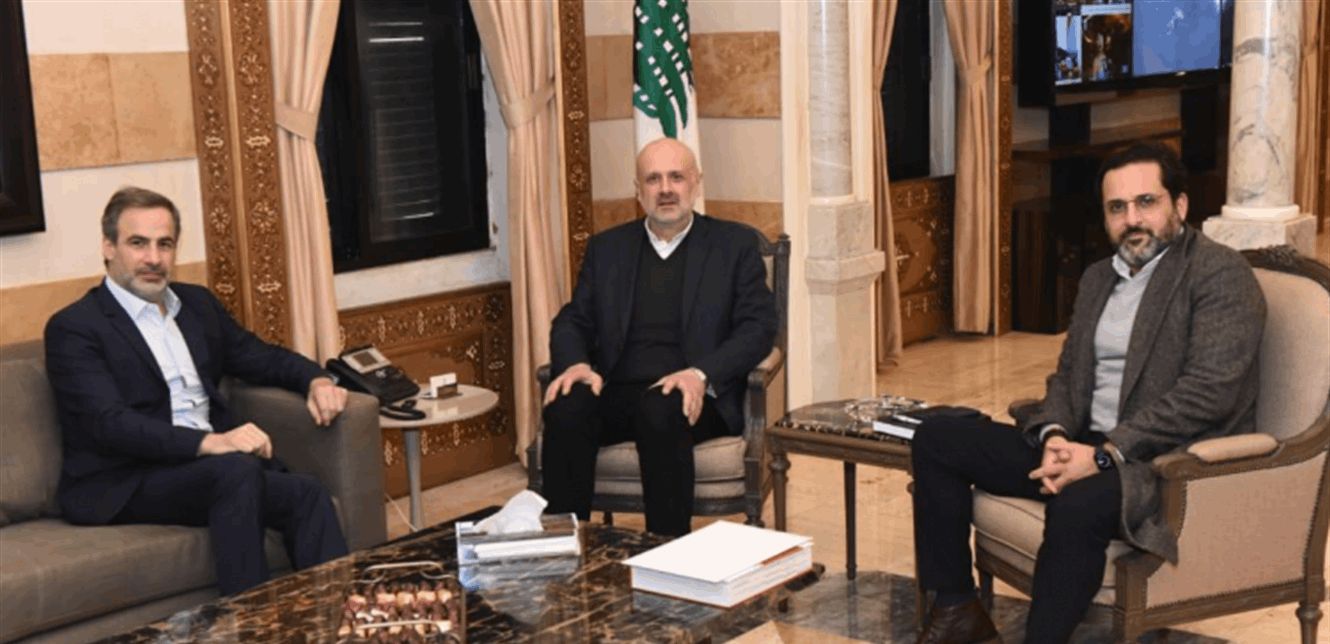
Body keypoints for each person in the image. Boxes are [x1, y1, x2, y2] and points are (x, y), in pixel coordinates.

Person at [910, 142, 1266, 644]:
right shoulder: (1100, 278)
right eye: (1117, 207)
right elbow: (1068, 375)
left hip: (1159, 463)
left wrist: (1103, 455)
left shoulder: (1219, 274)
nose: (1131, 219)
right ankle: (957, 609)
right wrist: (1055, 435)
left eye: (1146, 202)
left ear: (1180, 205)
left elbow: (1209, 393)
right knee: (938, 438)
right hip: (1082, 444)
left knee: (1077, 503)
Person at [44, 187, 352, 595]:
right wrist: (212, 442)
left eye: (164, 244)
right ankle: (248, 622)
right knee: (236, 470)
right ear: (108, 247)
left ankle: (338, 618)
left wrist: (316, 379)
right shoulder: (75, 327)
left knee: (307, 493)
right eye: (138, 243)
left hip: (205, 472)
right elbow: (109, 424)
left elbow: (258, 356)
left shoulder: (196, 305)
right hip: (127, 480)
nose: (153, 258)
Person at [541, 138, 777, 536]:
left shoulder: (733, 246)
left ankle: (666, 551)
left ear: (696, 183)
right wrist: (576, 363)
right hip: (619, 389)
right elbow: (573, 319)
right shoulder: (608, 248)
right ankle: (565, 548)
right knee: (567, 408)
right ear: (638, 191)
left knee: (660, 410)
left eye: (676, 177)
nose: (665, 189)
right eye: (653, 179)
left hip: (695, 397)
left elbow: (758, 328)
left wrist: (700, 374)